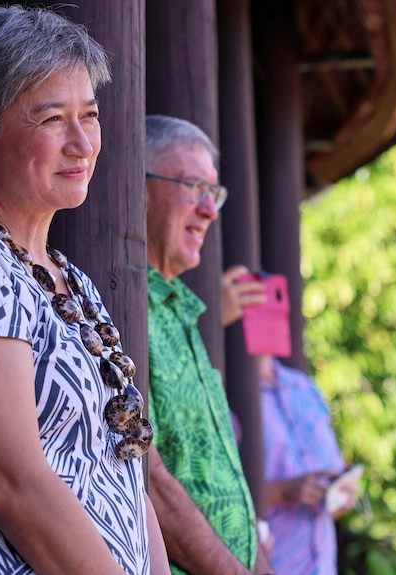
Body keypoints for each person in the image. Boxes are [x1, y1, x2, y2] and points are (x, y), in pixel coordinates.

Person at [0, 6, 168, 574]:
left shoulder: (68, 280)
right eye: (52, 119)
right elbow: (14, 483)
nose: (82, 143)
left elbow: (123, 471)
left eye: (91, 115)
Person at [145, 114, 274, 575]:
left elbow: (222, 476)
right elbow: (149, 484)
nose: (210, 210)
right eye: (193, 187)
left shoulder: (182, 311)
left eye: (213, 194)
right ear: (139, 187)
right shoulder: (126, 308)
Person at [258, 356, 359, 575]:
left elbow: (333, 475)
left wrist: (340, 495)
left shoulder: (305, 387)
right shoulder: (227, 393)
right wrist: (281, 491)